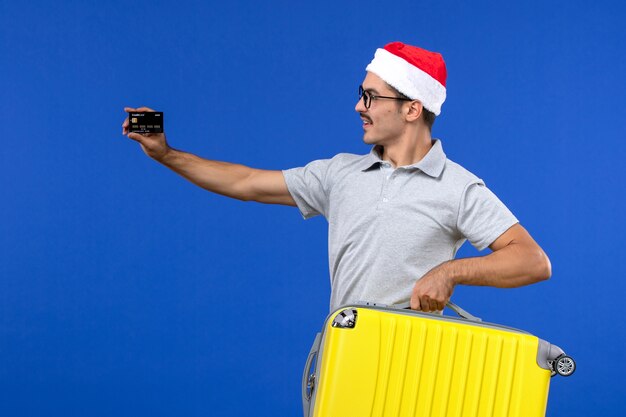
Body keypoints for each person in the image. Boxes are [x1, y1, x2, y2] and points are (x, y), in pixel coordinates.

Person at [122, 42, 551, 313]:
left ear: (412, 108)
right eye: (360, 94)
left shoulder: (458, 187)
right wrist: (166, 154)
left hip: (414, 360)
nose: (358, 106)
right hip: (345, 352)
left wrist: (451, 272)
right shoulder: (340, 173)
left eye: (370, 96)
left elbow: (532, 261)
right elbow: (247, 183)